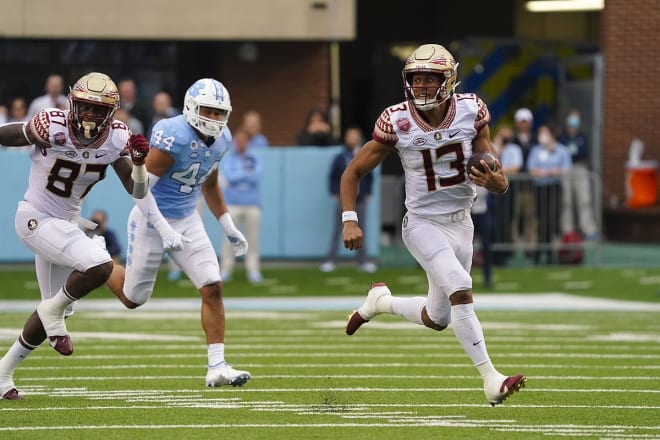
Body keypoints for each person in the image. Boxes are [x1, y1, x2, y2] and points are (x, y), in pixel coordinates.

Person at [340, 44, 526, 406]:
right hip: (422, 222)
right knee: (461, 285)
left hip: (462, 223)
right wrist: (350, 219)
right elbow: (354, 171)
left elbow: (495, 170)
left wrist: (498, 183)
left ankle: (380, 302)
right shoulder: (397, 120)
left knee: (438, 317)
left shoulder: (472, 110)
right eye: (417, 79)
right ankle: (491, 379)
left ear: (448, 80)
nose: (422, 86)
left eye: (430, 78)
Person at [0, 72, 150, 400]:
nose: (91, 115)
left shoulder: (116, 138)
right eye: (85, 106)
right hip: (36, 219)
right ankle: (56, 312)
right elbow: (10, 134)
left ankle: (2, 375)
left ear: (112, 112)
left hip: (65, 224)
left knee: (50, 311)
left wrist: (139, 165)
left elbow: (136, 190)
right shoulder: (52, 124)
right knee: (99, 263)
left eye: (99, 110)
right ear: (72, 102)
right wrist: (25, 132)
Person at [107, 78, 251, 388]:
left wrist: (227, 225)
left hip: (186, 217)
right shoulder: (174, 136)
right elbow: (140, 190)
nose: (213, 119)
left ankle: (217, 366)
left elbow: (209, 182)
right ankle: (98, 263)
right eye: (207, 111)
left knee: (212, 286)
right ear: (191, 108)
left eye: (218, 113)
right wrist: (162, 229)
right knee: (133, 298)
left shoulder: (223, 138)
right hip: (150, 217)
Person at [320, 125, 376, 273]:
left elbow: (369, 175)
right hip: (344, 200)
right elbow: (333, 176)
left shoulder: (363, 154)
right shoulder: (340, 157)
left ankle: (363, 260)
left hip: (360, 198)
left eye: (355, 135)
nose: (352, 138)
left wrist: (368, 192)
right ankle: (331, 259)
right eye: (350, 135)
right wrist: (334, 193)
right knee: (338, 229)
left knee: (361, 230)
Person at [219, 128, 264, 283]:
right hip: (232, 204)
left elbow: (256, 177)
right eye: (238, 141)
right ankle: (226, 269)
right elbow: (228, 177)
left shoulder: (254, 157)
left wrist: (239, 177)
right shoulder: (229, 158)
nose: (240, 144)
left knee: (252, 239)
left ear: (248, 142)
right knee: (229, 238)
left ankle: (253, 270)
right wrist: (245, 174)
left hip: (252, 204)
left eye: (243, 141)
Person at [527, 124, 572, 264]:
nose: (541, 135)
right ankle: (543, 250)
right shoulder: (536, 150)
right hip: (540, 188)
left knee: (552, 219)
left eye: (544, 132)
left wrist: (552, 172)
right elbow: (531, 169)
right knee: (541, 219)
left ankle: (546, 250)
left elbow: (566, 169)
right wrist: (544, 173)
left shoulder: (561, 150)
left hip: (554, 188)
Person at [557, 109, 597, 241]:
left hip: (579, 169)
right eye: (572, 119)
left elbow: (583, 154)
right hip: (565, 170)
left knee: (584, 200)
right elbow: (561, 154)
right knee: (566, 201)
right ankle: (568, 231)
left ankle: (589, 230)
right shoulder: (561, 137)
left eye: (576, 119)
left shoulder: (582, 137)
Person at [510, 108, 537, 259]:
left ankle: (530, 246)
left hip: (530, 186)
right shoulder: (512, 140)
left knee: (530, 217)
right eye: (521, 121)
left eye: (526, 121)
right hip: (515, 186)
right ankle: (512, 245)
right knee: (514, 216)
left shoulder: (536, 140)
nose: (524, 124)